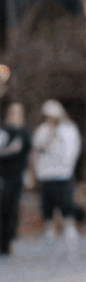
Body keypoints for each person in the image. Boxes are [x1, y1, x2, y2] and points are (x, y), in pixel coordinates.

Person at [31, 100, 83, 253]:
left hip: (63, 174)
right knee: (47, 207)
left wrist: (68, 167)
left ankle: (71, 235)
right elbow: (37, 150)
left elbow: (73, 150)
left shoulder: (69, 130)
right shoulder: (42, 130)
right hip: (46, 174)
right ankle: (49, 235)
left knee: (66, 204)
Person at [0, 103, 32, 255]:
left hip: (16, 176)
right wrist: (9, 150)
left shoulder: (24, 133)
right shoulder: (3, 131)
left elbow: (28, 154)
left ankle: (8, 241)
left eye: (18, 112)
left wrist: (30, 173)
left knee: (12, 208)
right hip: (3, 175)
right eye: (13, 111)